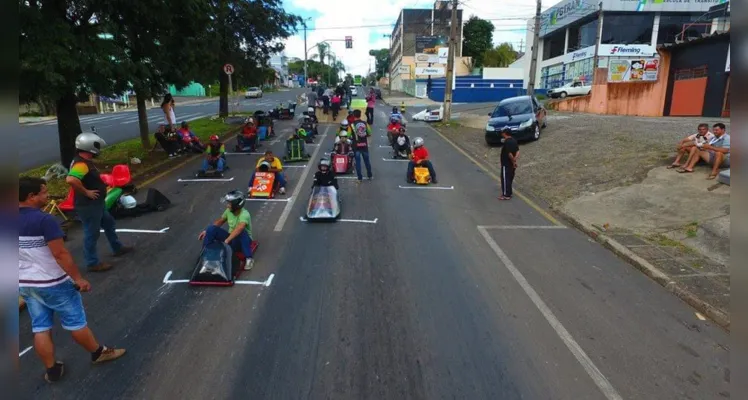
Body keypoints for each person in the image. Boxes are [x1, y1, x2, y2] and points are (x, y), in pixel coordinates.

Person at [19, 177, 126, 383]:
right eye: (43, 192)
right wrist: (78, 278)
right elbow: (60, 254)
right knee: (75, 322)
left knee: (40, 326)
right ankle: (98, 353)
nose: (47, 195)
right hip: (53, 282)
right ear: (31, 197)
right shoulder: (44, 220)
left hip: (26, 283)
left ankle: (52, 370)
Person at [66, 132, 134, 272]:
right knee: (92, 233)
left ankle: (117, 247)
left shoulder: (84, 161)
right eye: (97, 146)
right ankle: (92, 262)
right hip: (89, 206)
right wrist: (87, 192)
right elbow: (71, 179)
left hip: (97, 204)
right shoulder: (81, 164)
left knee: (109, 223)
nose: (98, 149)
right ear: (89, 146)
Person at [198, 190, 254, 270]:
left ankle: (249, 259)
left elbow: (239, 228)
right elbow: (220, 221)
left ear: (236, 205)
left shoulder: (245, 214)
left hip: (242, 242)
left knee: (242, 232)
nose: (227, 206)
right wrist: (207, 231)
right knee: (211, 229)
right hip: (231, 239)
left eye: (229, 204)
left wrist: (227, 240)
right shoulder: (228, 211)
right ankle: (206, 254)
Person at [350, 109, 373, 181]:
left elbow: (348, 135)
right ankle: (370, 176)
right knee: (367, 161)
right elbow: (369, 133)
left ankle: (360, 178)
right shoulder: (365, 123)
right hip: (364, 145)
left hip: (356, 146)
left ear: (353, 115)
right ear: (360, 115)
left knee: (358, 162)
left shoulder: (352, 125)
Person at [499, 128, 519, 200]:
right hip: (511, 164)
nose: (502, 134)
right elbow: (517, 151)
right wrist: (515, 160)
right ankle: (509, 192)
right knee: (510, 178)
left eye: (503, 133)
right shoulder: (514, 140)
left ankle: (506, 195)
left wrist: (513, 160)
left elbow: (509, 153)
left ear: (505, 133)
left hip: (506, 163)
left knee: (505, 179)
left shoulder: (507, 142)